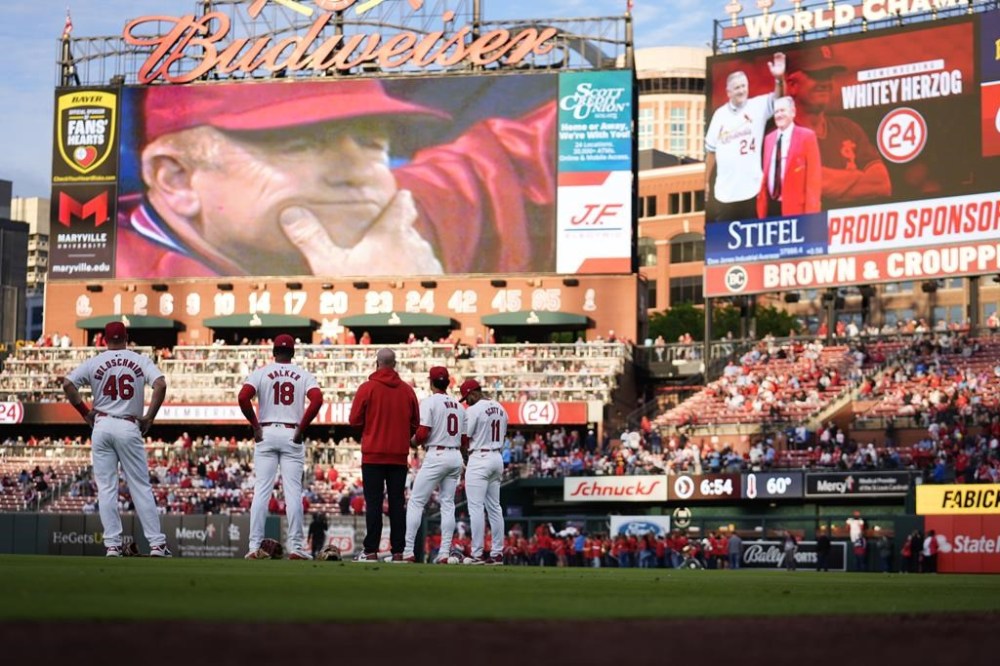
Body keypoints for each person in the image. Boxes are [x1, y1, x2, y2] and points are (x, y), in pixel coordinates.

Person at [115, 78, 556, 278]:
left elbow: (512, 163)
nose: (359, 175)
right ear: (176, 179)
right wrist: (397, 305)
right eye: (301, 145)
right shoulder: (123, 275)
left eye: (370, 144)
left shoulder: (391, 224)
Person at [61, 321, 170, 557]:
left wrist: (85, 412)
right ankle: (157, 545)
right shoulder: (140, 360)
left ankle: (112, 545)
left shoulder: (95, 361)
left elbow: (68, 384)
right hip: (128, 425)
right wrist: (150, 417)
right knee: (140, 486)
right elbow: (160, 384)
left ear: (104, 339)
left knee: (107, 489)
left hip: (101, 423)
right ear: (127, 337)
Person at [238, 334, 323, 560]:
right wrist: (301, 428)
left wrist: (255, 426)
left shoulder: (261, 372)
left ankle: (254, 546)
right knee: (293, 493)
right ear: (293, 352)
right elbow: (317, 399)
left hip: (266, 431)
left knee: (261, 492)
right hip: (291, 432)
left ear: (273, 351)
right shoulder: (303, 375)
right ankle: (296, 547)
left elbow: (243, 398)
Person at [785, 48, 892, 208]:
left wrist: (823, 179)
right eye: (816, 75)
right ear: (792, 85)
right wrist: (857, 177)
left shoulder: (848, 128)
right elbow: (802, 186)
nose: (825, 83)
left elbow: (882, 184)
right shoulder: (780, 138)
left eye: (829, 75)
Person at [348, 348, 420, 562]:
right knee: (398, 504)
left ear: (376, 363)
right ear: (395, 364)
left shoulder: (367, 388)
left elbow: (354, 420)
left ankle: (371, 550)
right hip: (398, 455)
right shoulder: (407, 391)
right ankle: (399, 551)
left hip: (372, 455)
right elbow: (416, 423)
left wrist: (370, 429)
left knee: (374, 504)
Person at [705, 52, 786, 222]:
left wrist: (779, 79)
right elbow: (711, 152)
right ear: (728, 92)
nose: (742, 90)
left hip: (752, 191)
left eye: (744, 86)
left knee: (753, 243)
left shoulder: (758, 106)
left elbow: (779, 98)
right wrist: (705, 182)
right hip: (724, 195)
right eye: (737, 88)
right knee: (724, 245)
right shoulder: (719, 115)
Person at [397, 367, 466, 564]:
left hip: (437, 453)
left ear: (431, 382)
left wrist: (411, 442)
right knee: (448, 504)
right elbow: (464, 440)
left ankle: (408, 550)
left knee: (416, 501)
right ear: (448, 383)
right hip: (454, 456)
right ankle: (444, 553)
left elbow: (422, 433)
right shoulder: (459, 407)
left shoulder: (429, 402)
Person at [458, 378, 508, 566]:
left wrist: (465, 459)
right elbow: (502, 434)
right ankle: (497, 553)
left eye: (467, 397)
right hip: (497, 457)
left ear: (473, 393)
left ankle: (477, 553)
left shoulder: (473, 410)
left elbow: (465, 438)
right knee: (495, 508)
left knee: (476, 508)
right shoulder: (500, 407)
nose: (466, 401)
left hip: (479, 457)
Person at [756, 96, 822, 218]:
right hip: (770, 208)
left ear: (793, 112)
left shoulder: (807, 137)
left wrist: (812, 217)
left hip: (796, 210)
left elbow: (814, 181)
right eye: (776, 112)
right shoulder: (768, 139)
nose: (779, 115)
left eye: (782, 110)